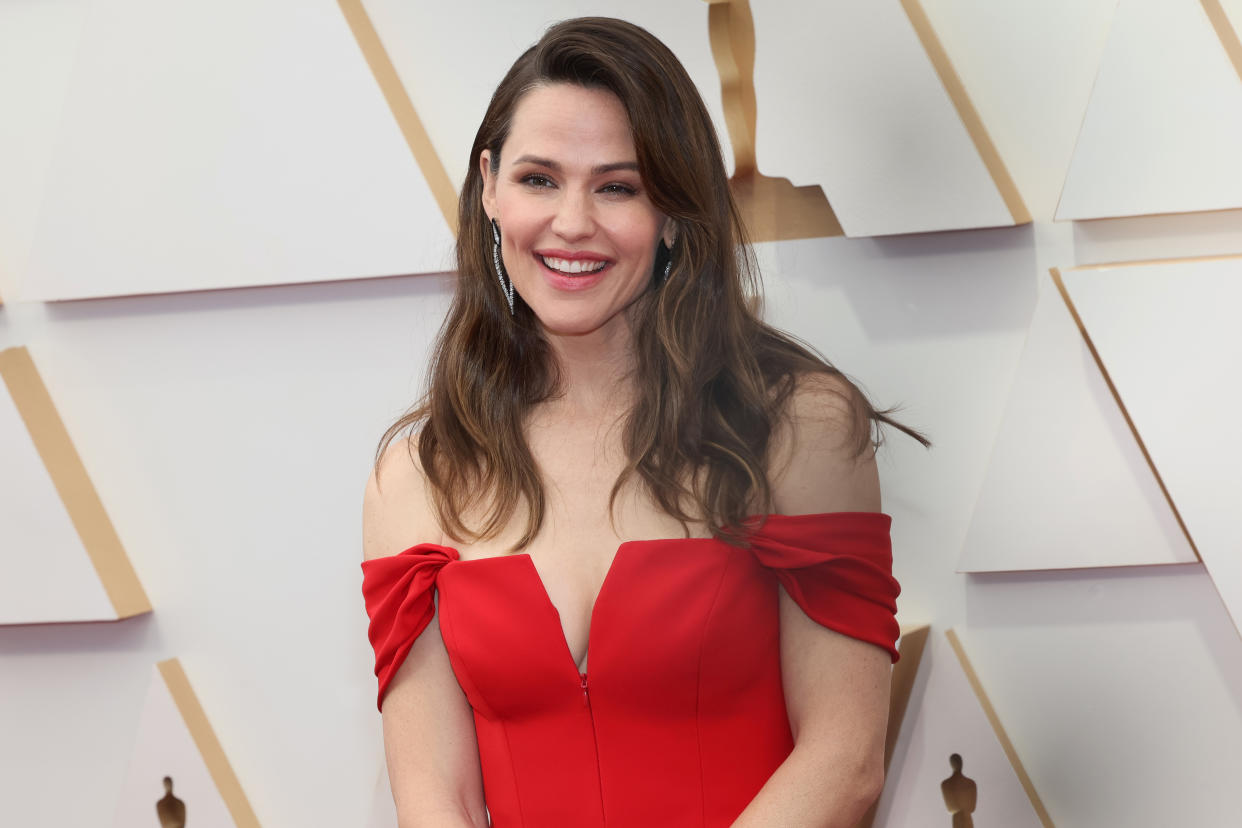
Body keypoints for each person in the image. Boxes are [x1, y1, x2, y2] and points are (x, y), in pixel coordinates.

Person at [361, 17, 924, 828]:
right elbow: (434, 797)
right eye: (538, 179)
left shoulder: (798, 427)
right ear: (488, 185)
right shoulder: (415, 477)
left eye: (617, 186)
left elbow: (844, 761)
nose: (573, 224)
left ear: (673, 208)